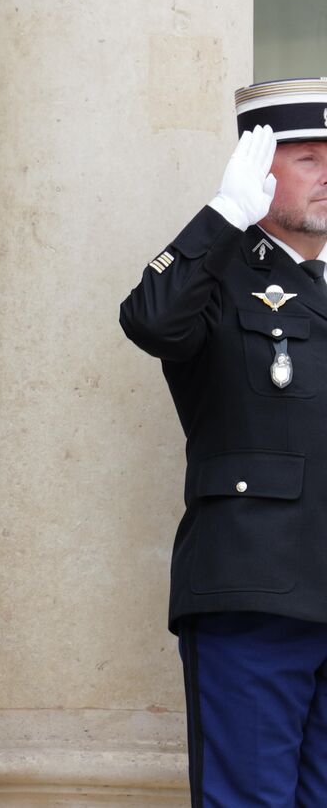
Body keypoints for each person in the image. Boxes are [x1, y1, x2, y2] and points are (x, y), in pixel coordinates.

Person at [120, 78, 327, 804]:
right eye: (309, 159)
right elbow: (150, 320)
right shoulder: (220, 275)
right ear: (259, 169)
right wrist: (223, 215)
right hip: (256, 590)